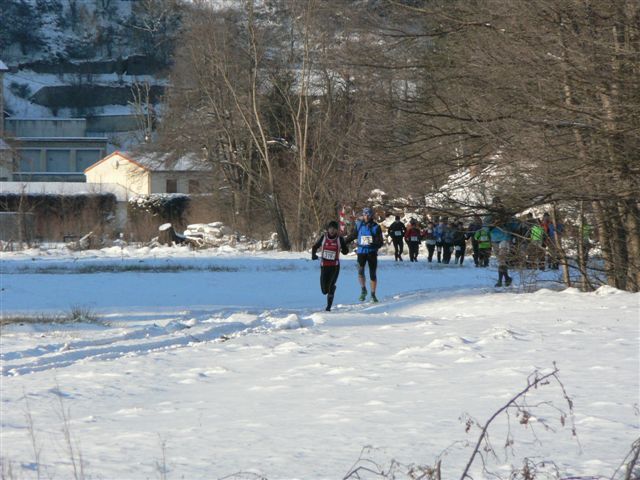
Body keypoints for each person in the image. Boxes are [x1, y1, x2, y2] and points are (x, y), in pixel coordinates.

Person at [345, 207, 384, 302]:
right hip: (361, 252)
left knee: (372, 274)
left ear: (371, 215)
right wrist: (343, 242)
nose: (366, 216)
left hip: (372, 253)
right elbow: (353, 235)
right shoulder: (359, 225)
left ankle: (373, 295)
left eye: (368, 214)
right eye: (364, 214)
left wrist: (373, 243)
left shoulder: (376, 227)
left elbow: (380, 242)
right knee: (360, 271)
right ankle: (363, 290)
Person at [311, 221, 349, 311]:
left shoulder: (340, 239)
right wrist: (313, 255)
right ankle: (331, 289)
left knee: (330, 286)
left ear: (337, 230)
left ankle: (328, 307)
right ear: (328, 229)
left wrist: (344, 250)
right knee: (324, 290)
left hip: (334, 267)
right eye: (330, 228)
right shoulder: (324, 237)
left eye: (334, 229)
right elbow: (315, 247)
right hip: (324, 266)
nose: (332, 230)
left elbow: (346, 250)